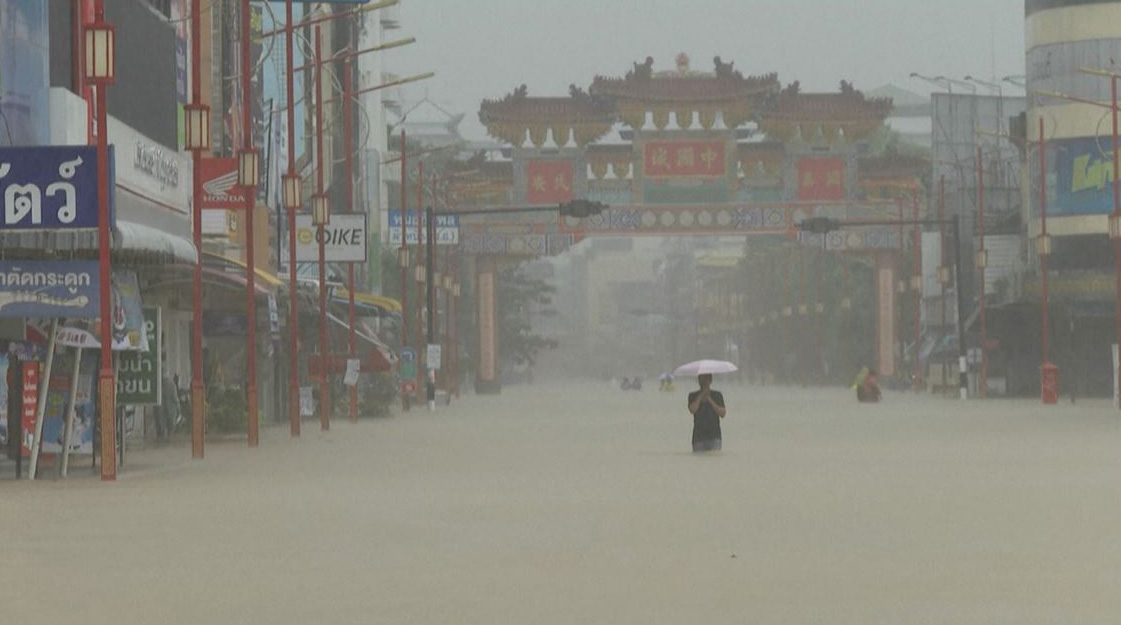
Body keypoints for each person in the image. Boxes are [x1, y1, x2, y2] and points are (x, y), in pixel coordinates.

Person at [688, 374, 726, 452]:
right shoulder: (692, 395)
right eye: (701, 379)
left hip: (715, 436)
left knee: (715, 458)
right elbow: (693, 410)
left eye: (706, 379)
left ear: (710, 380)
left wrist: (709, 399)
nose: (704, 382)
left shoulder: (717, 395)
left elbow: (722, 413)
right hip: (698, 437)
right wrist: (701, 396)